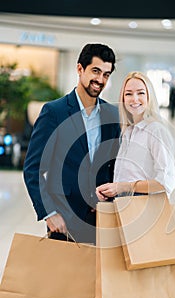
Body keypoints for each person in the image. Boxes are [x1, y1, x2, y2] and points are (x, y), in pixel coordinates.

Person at [96, 71, 175, 298]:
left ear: (149, 96)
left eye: (140, 93)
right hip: (122, 218)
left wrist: (123, 187)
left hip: (139, 223)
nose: (134, 99)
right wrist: (112, 189)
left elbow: (166, 182)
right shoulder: (128, 130)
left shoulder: (155, 130)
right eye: (128, 93)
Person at [23, 43, 120, 244]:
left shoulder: (112, 115)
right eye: (95, 71)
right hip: (63, 219)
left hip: (101, 218)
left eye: (106, 74)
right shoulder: (54, 112)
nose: (100, 80)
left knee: (96, 276)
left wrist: (110, 202)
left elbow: (114, 166)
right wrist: (49, 213)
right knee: (62, 275)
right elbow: (33, 169)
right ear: (79, 69)